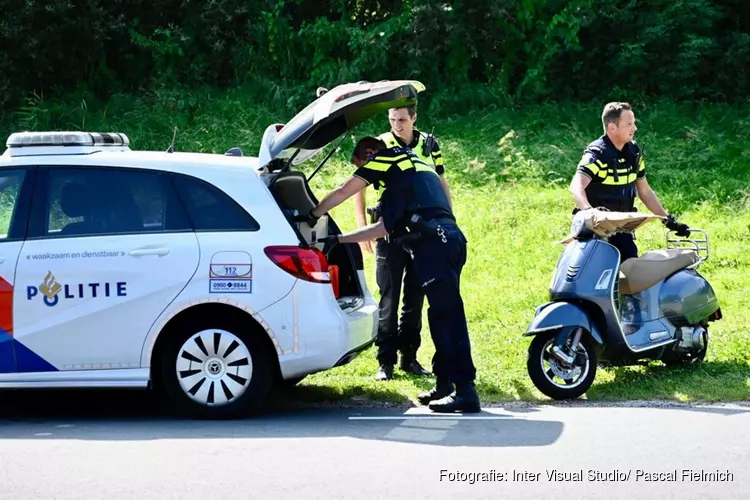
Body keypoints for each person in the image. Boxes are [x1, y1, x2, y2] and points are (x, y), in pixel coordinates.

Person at [306, 136, 480, 413]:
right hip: (449, 239)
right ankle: (445, 385)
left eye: (363, 167)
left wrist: (312, 214)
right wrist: (339, 240)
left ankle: (466, 391)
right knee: (439, 315)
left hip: (434, 243)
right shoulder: (412, 166)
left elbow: (343, 191)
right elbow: (383, 229)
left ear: (371, 153)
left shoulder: (387, 158)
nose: (369, 180)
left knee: (447, 317)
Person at [352, 106, 451, 381]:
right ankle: (385, 362)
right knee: (389, 296)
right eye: (393, 119)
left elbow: (441, 181)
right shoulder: (380, 145)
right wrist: (362, 229)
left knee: (416, 297)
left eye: (403, 120)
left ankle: (410, 357)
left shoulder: (429, 145)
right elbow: (358, 186)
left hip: (421, 229)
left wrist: (448, 220)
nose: (397, 125)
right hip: (389, 227)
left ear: (415, 118)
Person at [569, 101, 690, 262]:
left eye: (633, 123)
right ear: (612, 128)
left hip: (623, 230)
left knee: (629, 276)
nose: (635, 128)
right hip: (597, 233)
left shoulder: (633, 153)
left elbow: (645, 191)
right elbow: (576, 187)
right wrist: (590, 212)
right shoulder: (598, 154)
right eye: (629, 124)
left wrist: (668, 220)